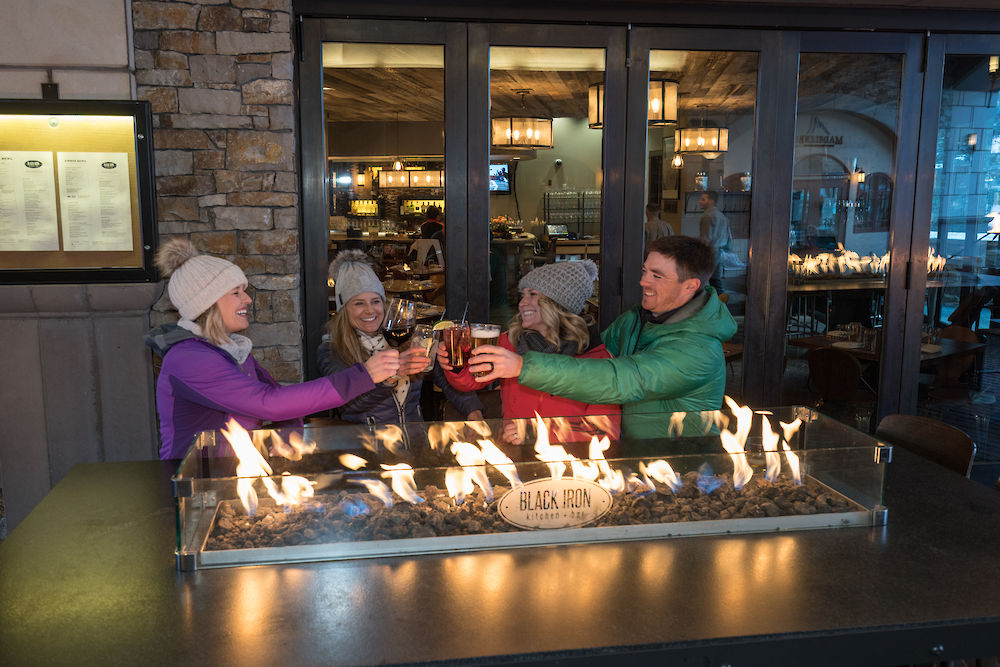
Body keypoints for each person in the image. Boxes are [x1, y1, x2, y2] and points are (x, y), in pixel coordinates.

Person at [145, 239, 398, 460]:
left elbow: (279, 399)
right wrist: (362, 376)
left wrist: (288, 433)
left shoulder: (231, 350)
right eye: (236, 292)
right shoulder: (189, 359)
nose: (247, 299)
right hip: (194, 484)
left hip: (230, 477)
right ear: (207, 303)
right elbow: (269, 403)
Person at [468, 236, 737, 441]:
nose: (643, 281)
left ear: (690, 286)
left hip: (679, 457)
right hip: (632, 453)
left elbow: (618, 379)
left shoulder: (699, 350)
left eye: (657, 275)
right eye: (644, 271)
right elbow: (593, 355)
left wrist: (523, 366)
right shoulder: (637, 318)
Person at [439, 259, 620, 444]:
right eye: (522, 295)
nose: (522, 303)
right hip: (513, 460)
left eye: (533, 294)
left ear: (558, 303)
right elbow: (470, 381)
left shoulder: (596, 357)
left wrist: (535, 432)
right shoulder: (510, 342)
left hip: (571, 466)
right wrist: (456, 364)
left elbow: (604, 433)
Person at [319, 250, 483, 425]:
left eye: (375, 301)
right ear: (344, 310)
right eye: (359, 303)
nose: (370, 310)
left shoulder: (404, 338)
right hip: (365, 445)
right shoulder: (332, 349)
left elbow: (443, 377)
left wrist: (473, 410)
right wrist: (393, 375)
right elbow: (349, 404)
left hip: (414, 441)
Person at [698, 190, 732, 292]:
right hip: (719, 252)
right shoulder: (722, 216)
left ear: (711, 201)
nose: (700, 201)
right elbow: (729, 237)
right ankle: (720, 303)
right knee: (716, 281)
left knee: (702, 280)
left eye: (703, 199)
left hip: (709, 252)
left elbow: (705, 239)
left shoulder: (707, 216)